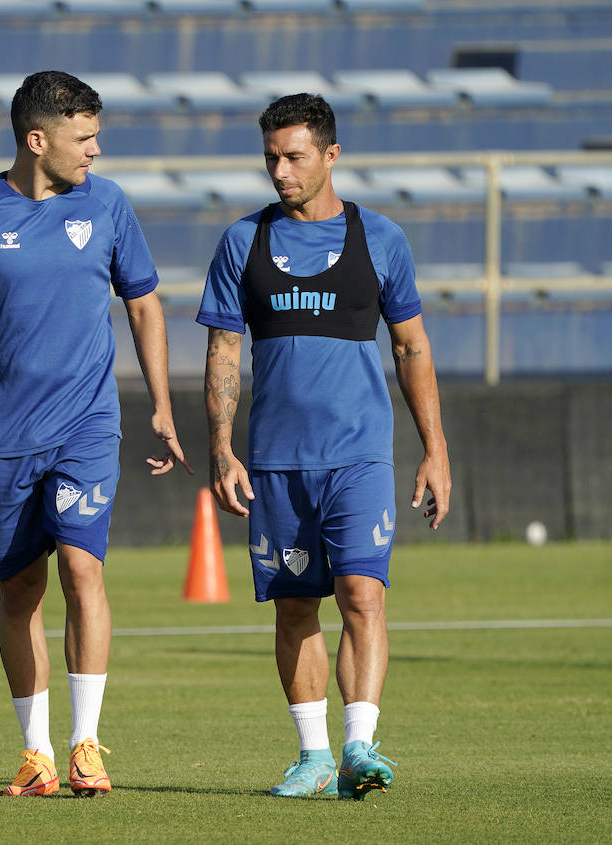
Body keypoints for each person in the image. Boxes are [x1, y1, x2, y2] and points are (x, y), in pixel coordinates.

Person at [0, 70, 190, 798]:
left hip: (88, 424)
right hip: (4, 431)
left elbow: (145, 306)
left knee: (82, 569)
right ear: (38, 139)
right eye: (84, 136)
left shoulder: (109, 204)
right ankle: (37, 755)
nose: (96, 149)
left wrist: (160, 402)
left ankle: (87, 742)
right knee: (19, 590)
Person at [197, 93, 451, 800]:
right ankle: (312, 756)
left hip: (360, 454)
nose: (280, 170)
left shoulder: (382, 239)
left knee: (362, 593)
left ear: (331, 156)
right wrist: (221, 446)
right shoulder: (241, 242)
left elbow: (412, 347)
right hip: (277, 460)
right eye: (272, 156)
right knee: (295, 606)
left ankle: (360, 745)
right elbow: (222, 351)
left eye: (295, 156)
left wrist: (436, 448)